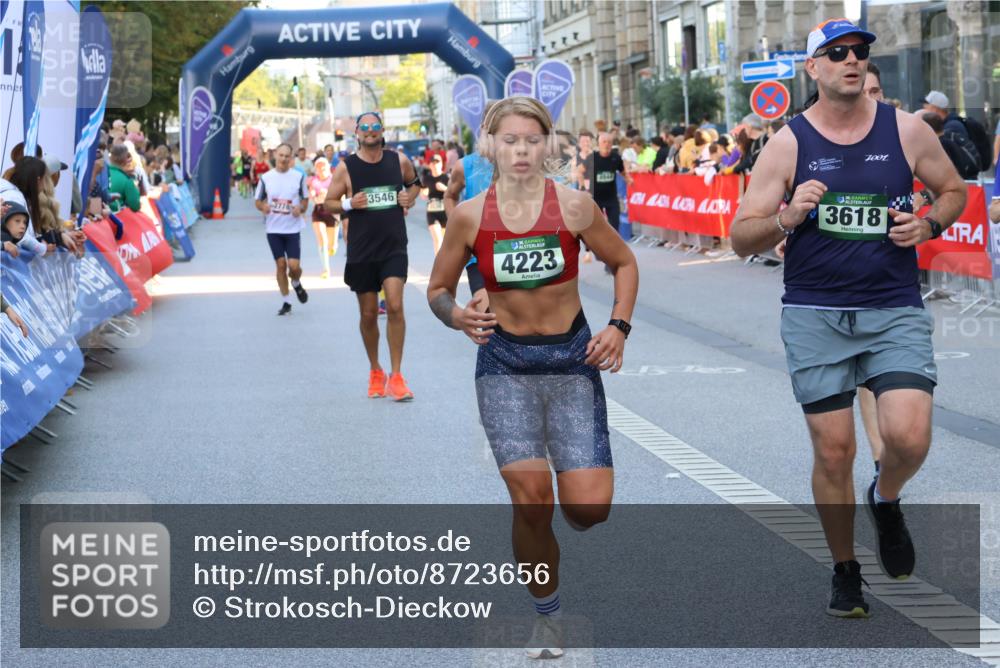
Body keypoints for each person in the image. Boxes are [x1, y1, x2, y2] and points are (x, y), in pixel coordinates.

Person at [730, 18, 968, 619]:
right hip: (816, 312)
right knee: (834, 451)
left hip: (892, 308)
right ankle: (845, 569)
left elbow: (953, 189)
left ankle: (885, 497)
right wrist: (786, 218)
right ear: (813, 68)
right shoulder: (787, 144)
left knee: (909, 437)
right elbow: (739, 237)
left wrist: (930, 224)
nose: (852, 61)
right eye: (836, 53)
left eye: (860, 52)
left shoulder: (906, 129)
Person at [426, 96, 638, 660]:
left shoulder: (573, 207)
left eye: (532, 140)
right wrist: (457, 315)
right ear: (491, 145)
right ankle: (549, 617)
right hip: (505, 366)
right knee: (531, 500)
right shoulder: (469, 215)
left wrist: (618, 326)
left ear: (548, 144)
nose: (521, 150)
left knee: (587, 511)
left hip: (571, 364)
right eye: (510, 140)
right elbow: (438, 290)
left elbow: (624, 262)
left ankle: (568, 512)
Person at [323, 112, 420, 401]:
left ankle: (397, 375)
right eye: (364, 127)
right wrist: (348, 203)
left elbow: (415, 184)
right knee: (367, 314)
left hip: (393, 246)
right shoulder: (346, 167)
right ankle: (375, 369)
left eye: (374, 127)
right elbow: (328, 203)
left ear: (382, 131)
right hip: (362, 250)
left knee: (394, 305)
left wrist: (410, 197)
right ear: (357, 133)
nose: (369, 131)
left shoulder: (397, 160)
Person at [443, 99, 498, 311]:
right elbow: (450, 196)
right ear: (485, 128)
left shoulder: (523, 163)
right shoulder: (465, 166)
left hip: (515, 253)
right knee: (488, 317)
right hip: (479, 257)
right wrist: (457, 227)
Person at [254, 143, 310, 315]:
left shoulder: (298, 177)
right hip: (273, 229)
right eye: (281, 155)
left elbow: (305, 201)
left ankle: (296, 283)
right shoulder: (266, 178)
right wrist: (263, 207)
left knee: (294, 266)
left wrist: (299, 209)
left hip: (292, 228)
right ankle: (286, 301)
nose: (284, 159)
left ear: (291, 158)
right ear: (275, 155)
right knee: (280, 264)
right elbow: (257, 201)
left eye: (287, 156)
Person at [921, 113, 981, 180]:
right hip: (968, 179)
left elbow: (945, 171)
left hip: (960, 182)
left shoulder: (942, 145)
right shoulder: (950, 137)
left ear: (927, 127)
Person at [308, 157, 338, 278]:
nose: (321, 168)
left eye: (323, 165)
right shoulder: (314, 181)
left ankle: (333, 246)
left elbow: (340, 195)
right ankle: (326, 269)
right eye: (318, 166)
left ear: (328, 167)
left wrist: (328, 195)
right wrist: (314, 196)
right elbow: (312, 195)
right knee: (322, 240)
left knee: (331, 245)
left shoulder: (333, 179)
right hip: (318, 212)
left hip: (332, 213)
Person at [421, 154, 449, 255]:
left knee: (446, 242)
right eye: (433, 163)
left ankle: (446, 263)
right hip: (432, 212)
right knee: (437, 239)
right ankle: (439, 265)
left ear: (441, 164)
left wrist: (445, 189)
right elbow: (423, 192)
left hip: (445, 212)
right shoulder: (427, 179)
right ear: (430, 165)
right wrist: (424, 193)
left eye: (437, 162)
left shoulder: (446, 178)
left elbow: (454, 194)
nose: (435, 165)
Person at [106, 145, 141, 213]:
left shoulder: (101, 173)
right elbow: (135, 206)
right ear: (125, 159)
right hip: (118, 219)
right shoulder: (127, 180)